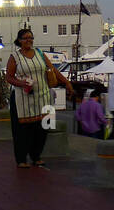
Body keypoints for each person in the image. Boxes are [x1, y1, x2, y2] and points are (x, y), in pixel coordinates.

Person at [5, 28, 73, 169]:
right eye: (25, 38)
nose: (28, 40)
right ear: (19, 41)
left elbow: (53, 70)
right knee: (22, 131)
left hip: (43, 96)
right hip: (23, 98)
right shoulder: (15, 57)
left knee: (43, 128)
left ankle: (37, 156)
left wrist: (66, 82)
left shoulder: (40, 53)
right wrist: (21, 83)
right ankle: (21, 159)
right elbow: (9, 77)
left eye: (31, 37)